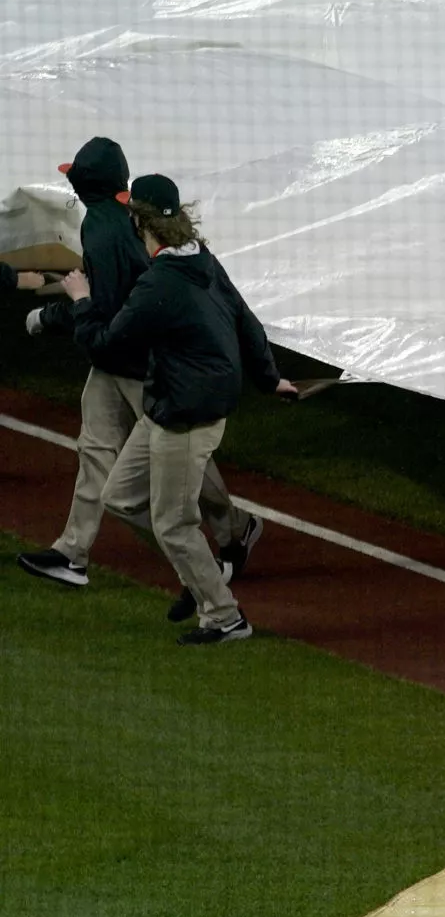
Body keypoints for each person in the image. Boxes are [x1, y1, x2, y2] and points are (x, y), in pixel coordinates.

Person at [18, 137, 262, 592]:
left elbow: (104, 305)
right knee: (96, 449)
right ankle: (72, 553)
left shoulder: (102, 229)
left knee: (182, 457)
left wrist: (49, 317)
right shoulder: (126, 218)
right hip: (118, 356)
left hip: (142, 362)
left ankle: (233, 529)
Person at [85, 175, 298, 643]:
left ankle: (225, 616)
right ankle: (196, 577)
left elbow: (105, 342)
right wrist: (269, 378)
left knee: (173, 524)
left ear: (138, 220)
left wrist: (80, 301)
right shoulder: (200, 257)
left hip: (187, 411)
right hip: (174, 401)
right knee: (119, 498)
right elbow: (245, 318)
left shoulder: (159, 282)